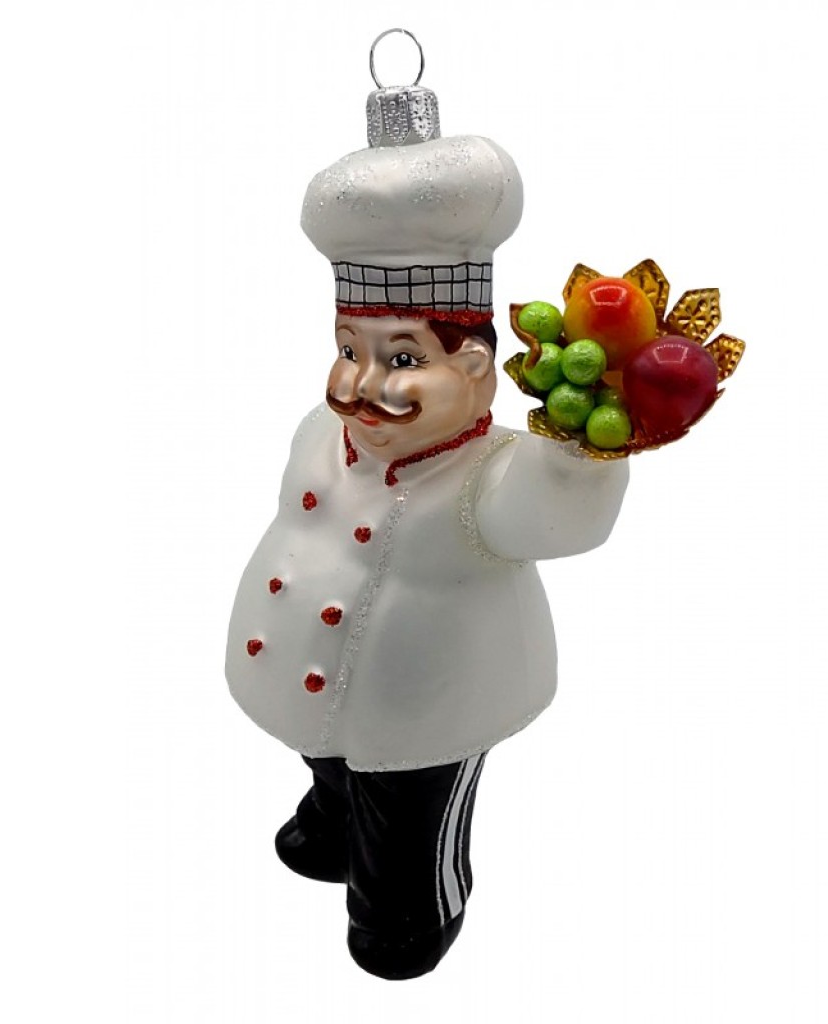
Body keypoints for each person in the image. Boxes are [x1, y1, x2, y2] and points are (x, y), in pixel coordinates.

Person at [225, 76, 629, 980]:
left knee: (408, 809)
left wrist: (584, 450)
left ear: (475, 369)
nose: (360, 385)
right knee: (327, 757)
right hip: (304, 673)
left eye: (401, 357)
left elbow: (559, 513)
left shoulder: (494, 473)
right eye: (348, 350)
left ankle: (411, 906)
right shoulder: (318, 431)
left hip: (435, 704)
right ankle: (334, 818)